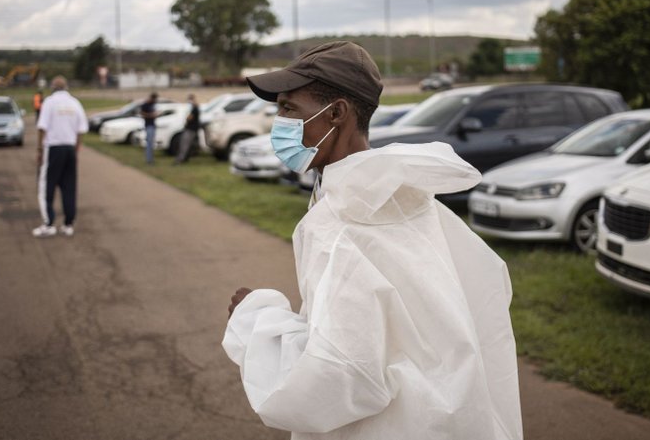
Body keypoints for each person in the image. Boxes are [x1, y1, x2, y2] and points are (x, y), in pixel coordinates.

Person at [222, 41, 523, 439]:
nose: (279, 123)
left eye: (289, 108)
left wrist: (257, 319)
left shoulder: (343, 225)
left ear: (337, 113)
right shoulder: (408, 200)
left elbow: (338, 376)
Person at [33, 76, 88, 238]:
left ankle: (48, 223)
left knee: (46, 186)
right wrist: (76, 150)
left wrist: (39, 150)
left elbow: (42, 128)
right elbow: (81, 130)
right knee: (69, 186)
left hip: (54, 148)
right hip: (70, 149)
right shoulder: (75, 103)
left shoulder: (49, 102)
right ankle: (68, 224)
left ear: (52, 87)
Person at [174, 93, 200, 164]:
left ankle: (180, 160)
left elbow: (189, 118)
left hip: (190, 129)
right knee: (187, 145)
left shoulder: (194, 108)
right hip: (191, 129)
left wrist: (186, 118)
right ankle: (184, 159)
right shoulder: (194, 107)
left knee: (184, 145)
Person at [140, 92, 159, 164]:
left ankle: (151, 159)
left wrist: (156, 114)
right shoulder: (145, 105)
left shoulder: (153, 104)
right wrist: (151, 115)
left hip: (153, 125)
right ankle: (149, 160)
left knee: (151, 143)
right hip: (148, 126)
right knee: (149, 143)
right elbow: (142, 114)